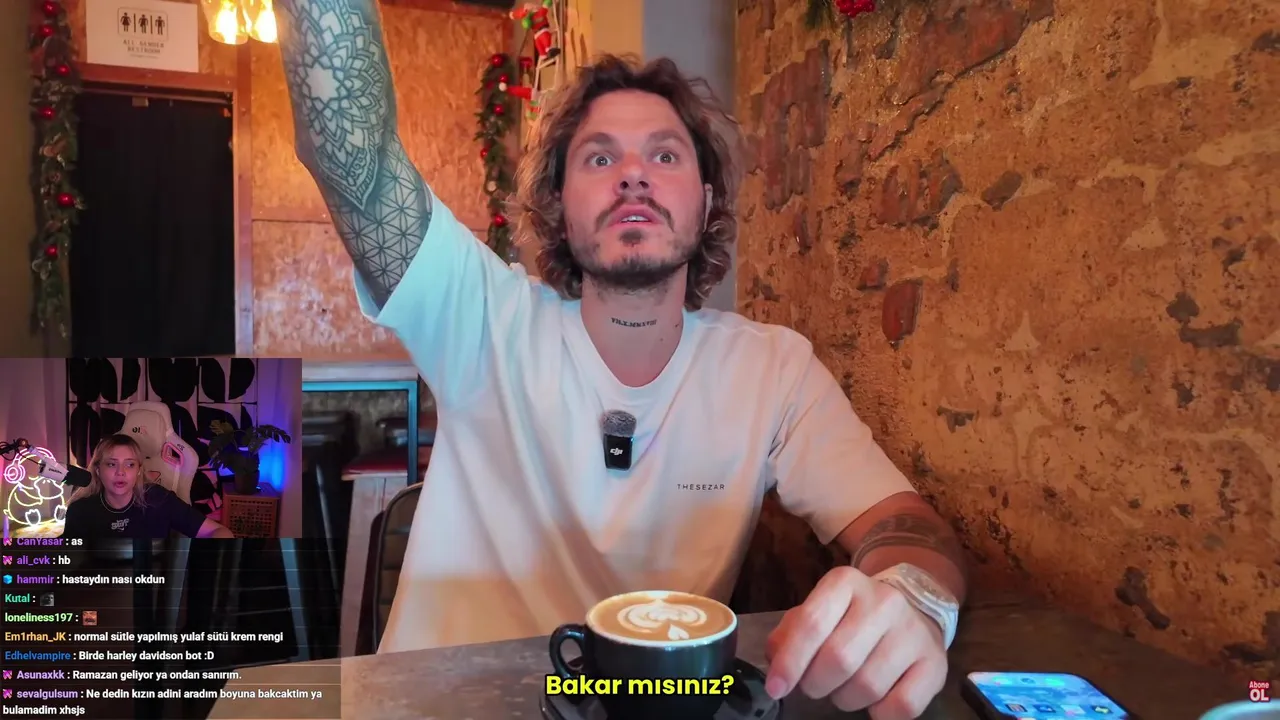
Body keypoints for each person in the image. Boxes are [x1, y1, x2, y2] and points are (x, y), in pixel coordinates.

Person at [277, 2, 968, 716]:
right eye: (600, 158)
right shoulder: (480, 319)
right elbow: (354, 157)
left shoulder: (773, 370)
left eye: (664, 155)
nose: (633, 175)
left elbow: (900, 523)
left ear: (705, 201)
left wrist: (912, 601)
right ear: (560, 202)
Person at [61, 434, 234, 540]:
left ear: (138, 470)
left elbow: (218, 530)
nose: (120, 472)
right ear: (98, 470)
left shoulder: (160, 499)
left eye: (130, 465)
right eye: (112, 464)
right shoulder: (80, 510)